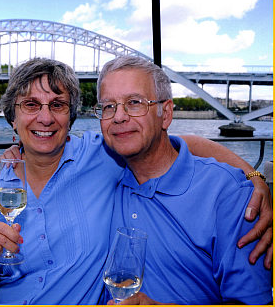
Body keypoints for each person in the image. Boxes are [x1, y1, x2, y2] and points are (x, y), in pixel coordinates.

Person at [0, 58, 271, 305]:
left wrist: (254, 180)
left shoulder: (102, 155)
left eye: (57, 105)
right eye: (30, 105)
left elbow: (177, 143)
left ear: (72, 116)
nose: (45, 117)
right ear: (12, 116)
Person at [97, 56, 271, 304]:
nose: (119, 116)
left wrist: (254, 178)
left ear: (165, 114)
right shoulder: (102, 171)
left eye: (134, 103)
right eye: (108, 106)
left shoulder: (228, 194)